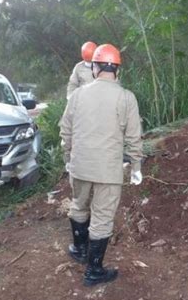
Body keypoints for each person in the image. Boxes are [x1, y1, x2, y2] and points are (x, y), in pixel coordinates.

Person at [60, 43, 143, 287]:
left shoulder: (77, 95)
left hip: (80, 165)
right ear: (117, 70)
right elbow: (133, 137)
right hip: (108, 169)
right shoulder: (126, 97)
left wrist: (68, 158)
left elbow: (66, 130)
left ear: (95, 68)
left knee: (79, 205)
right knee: (102, 218)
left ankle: (79, 249)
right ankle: (94, 270)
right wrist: (136, 165)